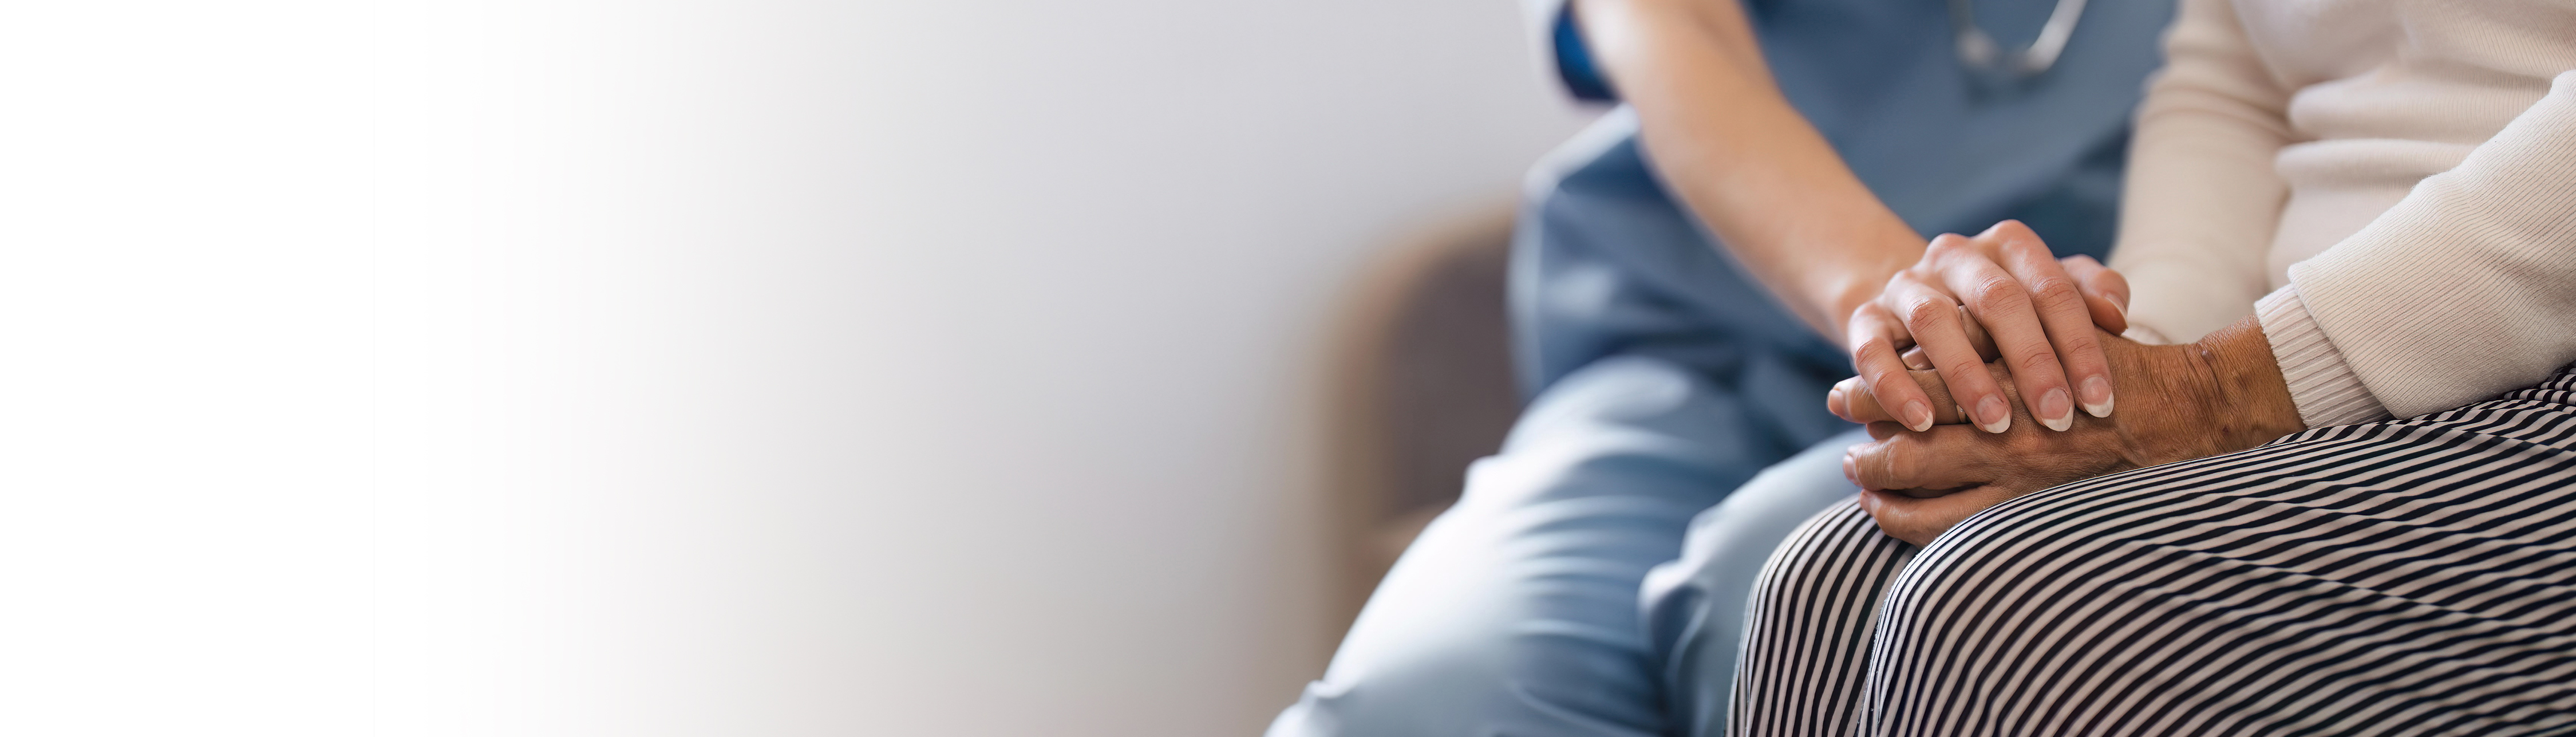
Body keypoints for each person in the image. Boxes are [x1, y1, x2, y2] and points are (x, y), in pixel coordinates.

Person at [1267, 0, 2172, 734]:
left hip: (2021, 390)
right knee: (1428, 700)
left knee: (1780, 631)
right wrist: (1902, 302)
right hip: (1695, 349)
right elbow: (1665, 25)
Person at [1730, 0, 2576, 731]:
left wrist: (2219, 386)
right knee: (1823, 585)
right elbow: (2233, 80)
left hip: (2535, 346)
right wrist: (2120, 365)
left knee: (2008, 605)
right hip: (2304, 326)